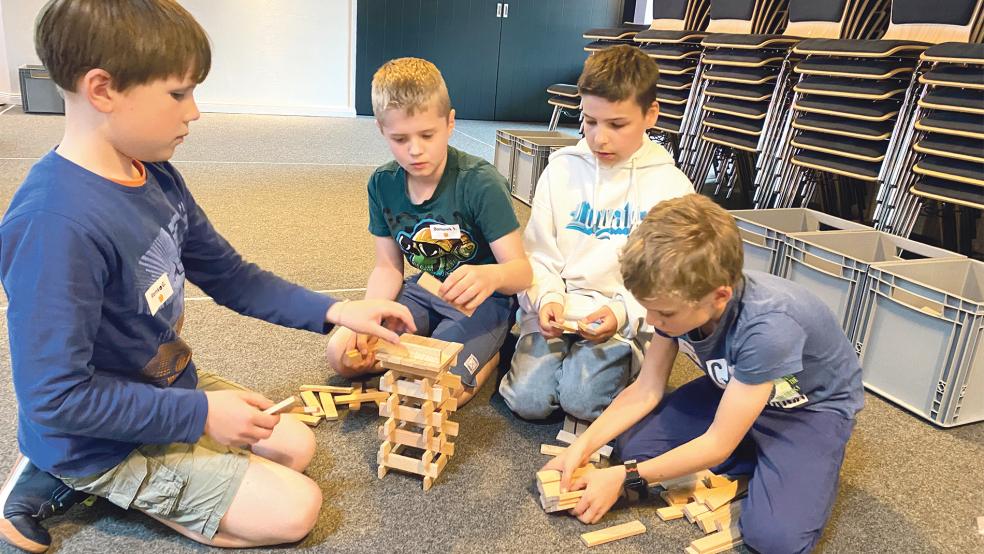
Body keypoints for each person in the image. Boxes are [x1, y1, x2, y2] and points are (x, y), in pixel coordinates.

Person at [0, 1, 415, 550]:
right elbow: (54, 398)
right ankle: (70, 473)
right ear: (102, 90)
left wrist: (335, 311)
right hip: (96, 437)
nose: (194, 111)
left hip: (158, 385)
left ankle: (92, 469)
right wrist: (197, 415)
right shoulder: (53, 227)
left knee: (295, 446)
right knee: (296, 510)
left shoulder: (155, 174)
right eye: (178, 93)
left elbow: (231, 276)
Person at [545, 194, 863, 554]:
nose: (652, 322)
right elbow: (645, 391)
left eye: (663, 314)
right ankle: (761, 454)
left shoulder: (769, 329)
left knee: (775, 540)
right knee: (634, 447)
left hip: (804, 410)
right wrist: (582, 448)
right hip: (733, 386)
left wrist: (625, 477)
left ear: (720, 296)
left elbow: (717, 445)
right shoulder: (680, 299)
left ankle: (795, 463)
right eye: (649, 309)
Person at [499, 45, 693, 421]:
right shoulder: (560, 170)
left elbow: (671, 281)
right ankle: (547, 356)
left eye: (616, 124)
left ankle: (622, 365)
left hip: (621, 318)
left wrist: (622, 312)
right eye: (589, 121)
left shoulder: (672, 187)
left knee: (582, 401)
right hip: (559, 308)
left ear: (650, 114)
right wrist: (547, 299)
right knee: (528, 402)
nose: (599, 138)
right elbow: (538, 255)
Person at [324, 57, 532, 406]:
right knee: (342, 353)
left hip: (480, 302)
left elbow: (521, 272)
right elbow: (388, 267)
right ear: (381, 129)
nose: (415, 150)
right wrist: (369, 313)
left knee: (438, 390)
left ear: (450, 123)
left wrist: (491, 276)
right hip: (423, 291)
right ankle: (452, 344)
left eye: (427, 135)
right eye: (400, 138)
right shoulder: (383, 183)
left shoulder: (480, 182)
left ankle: (491, 353)